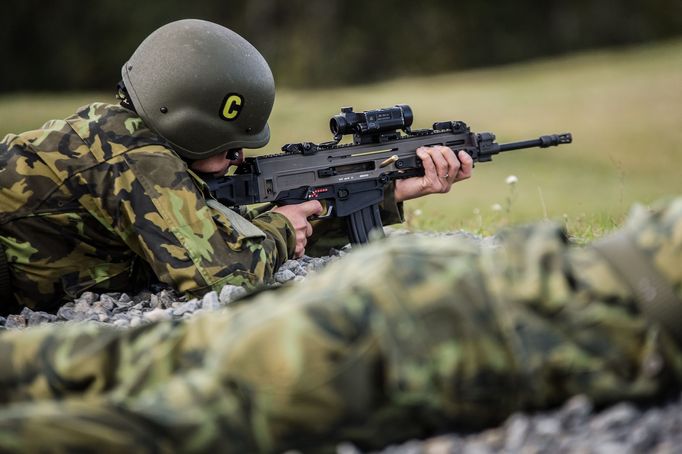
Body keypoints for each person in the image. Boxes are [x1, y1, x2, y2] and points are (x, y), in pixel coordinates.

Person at [0, 195, 680, 452]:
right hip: (439, 329)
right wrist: (274, 226)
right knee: (174, 423)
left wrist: (384, 193)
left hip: (437, 275)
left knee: (143, 355)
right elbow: (206, 267)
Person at [0, 19, 473, 314]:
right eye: (229, 146)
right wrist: (282, 228)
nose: (240, 158)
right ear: (187, 126)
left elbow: (212, 233)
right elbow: (223, 274)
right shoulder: (136, 158)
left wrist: (385, 194)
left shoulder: (134, 143)